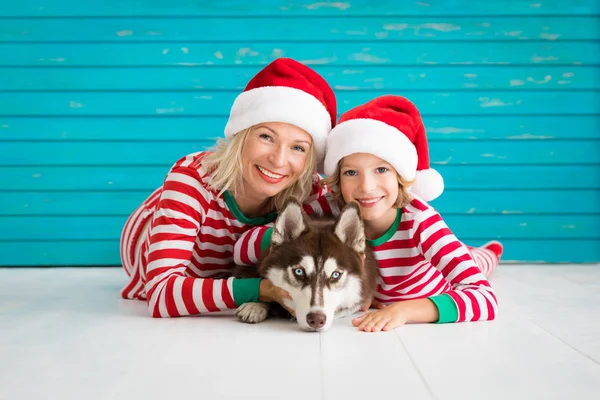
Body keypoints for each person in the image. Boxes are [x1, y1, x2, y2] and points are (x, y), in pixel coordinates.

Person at [234, 95, 502, 332]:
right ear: (337, 179)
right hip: (374, 295)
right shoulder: (330, 206)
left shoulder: (421, 222)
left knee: (476, 260)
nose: (367, 186)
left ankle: (488, 252)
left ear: (402, 176)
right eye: (351, 172)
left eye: (382, 170)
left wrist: (404, 311)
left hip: (426, 289)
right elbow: (242, 248)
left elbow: (484, 300)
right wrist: (284, 243)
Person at [119, 58, 337, 318]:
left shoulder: (310, 191)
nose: (279, 160)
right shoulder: (192, 180)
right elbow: (161, 293)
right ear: (241, 135)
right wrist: (262, 290)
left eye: (298, 147)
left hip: (227, 264)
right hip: (151, 232)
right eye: (266, 137)